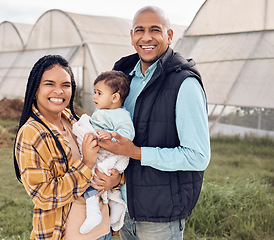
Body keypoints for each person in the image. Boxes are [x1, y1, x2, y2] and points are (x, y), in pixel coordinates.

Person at [98, 6, 211, 240]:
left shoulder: (184, 83)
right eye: (139, 30)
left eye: (155, 30)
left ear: (169, 36)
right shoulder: (121, 75)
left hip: (160, 217)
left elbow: (198, 156)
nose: (146, 37)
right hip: (123, 208)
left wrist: (137, 152)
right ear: (131, 36)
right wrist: (115, 178)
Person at [13, 55, 123, 240]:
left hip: (104, 230)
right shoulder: (31, 133)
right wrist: (86, 165)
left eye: (66, 85)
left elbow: (105, 160)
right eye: (49, 84)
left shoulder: (73, 121)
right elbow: (44, 195)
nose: (59, 91)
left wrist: (115, 180)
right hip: (73, 234)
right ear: (35, 89)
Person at [72, 70, 134, 234]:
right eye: (95, 92)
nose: (94, 97)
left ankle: (94, 213)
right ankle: (116, 209)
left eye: (99, 93)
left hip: (110, 155)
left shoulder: (121, 116)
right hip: (99, 150)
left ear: (114, 98)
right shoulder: (102, 112)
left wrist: (111, 137)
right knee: (98, 180)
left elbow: (127, 135)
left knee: (92, 178)